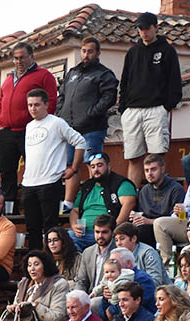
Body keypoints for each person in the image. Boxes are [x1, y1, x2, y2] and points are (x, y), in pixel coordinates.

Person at [118, 12, 182, 186]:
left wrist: (166, 106)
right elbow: (124, 82)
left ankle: (158, 196)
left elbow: (175, 82)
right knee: (133, 157)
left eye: (146, 28)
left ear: (155, 28)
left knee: (156, 157)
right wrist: (123, 108)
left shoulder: (167, 51)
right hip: (132, 110)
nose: (143, 32)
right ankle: (132, 199)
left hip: (156, 108)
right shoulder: (132, 52)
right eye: (140, 28)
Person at [21, 88, 86, 248]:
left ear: (46, 105)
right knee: (32, 227)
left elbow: (80, 142)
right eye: (30, 105)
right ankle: (35, 262)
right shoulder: (29, 126)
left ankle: (51, 262)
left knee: (51, 228)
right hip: (28, 184)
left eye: (36, 104)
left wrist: (74, 168)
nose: (33, 108)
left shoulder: (57, 123)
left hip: (50, 182)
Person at [57, 36, 118, 206]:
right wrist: (60, 114)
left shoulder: (104, 74)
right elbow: (61, 95)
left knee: (94, 164)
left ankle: (96, 200)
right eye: (83, 51)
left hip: (92, 128)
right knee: (71, 166)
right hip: (70, 129)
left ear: (98, 53)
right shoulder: (72, 73)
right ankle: (68, 204)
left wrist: (92, 113)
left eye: (90, 51)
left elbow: (109, 97)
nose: (86, 55)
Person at [0, 42, 57, 207]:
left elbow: (51, 101)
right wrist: (0, 122)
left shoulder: (44, 75)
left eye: (22, 57)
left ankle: (36, 207)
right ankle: (9, 210)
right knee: (6, 172)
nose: (19, 61)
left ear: (31, 56)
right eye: (15, 58)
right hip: (7, 132)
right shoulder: (8, 79)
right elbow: (1, 102)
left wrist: (41, 124)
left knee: (35, 169)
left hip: (30, 131)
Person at [71, 153, 135, 251]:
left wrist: (115, 227)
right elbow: (75, 211)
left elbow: (129, 203)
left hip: (108, 233)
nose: (96, 169)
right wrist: (74, 225)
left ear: (109, 166)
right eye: (93, 167)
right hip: (84, 234)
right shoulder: (86, 186)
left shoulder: (120, 183)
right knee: (65, 239)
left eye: (99, 165)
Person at [131, 153, 184, 249]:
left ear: (163, 169)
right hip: (147, 228)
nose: (149, 174)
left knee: (142, 230)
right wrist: (136, 216)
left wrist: (149, 221)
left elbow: (177, 220)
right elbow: (142, 214)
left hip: (167, 229)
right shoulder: (144, 190)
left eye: (153, 169)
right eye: (146, 170)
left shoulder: (176, 189)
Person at [112, 222, 166, 290]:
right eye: (116, 240)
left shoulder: (148, 253)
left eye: (122, 239)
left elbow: (155, 282)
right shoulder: (117, 255)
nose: (119, 243)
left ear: (134, 238)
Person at [74, 214, 116, 294]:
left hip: (108, 297)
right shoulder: (87, 252)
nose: (100, 236)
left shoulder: (117, 252)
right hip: (88, 296)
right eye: (97, 232)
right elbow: (81, 280)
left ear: (112, 232)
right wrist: (78, 296)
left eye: (104, 232)